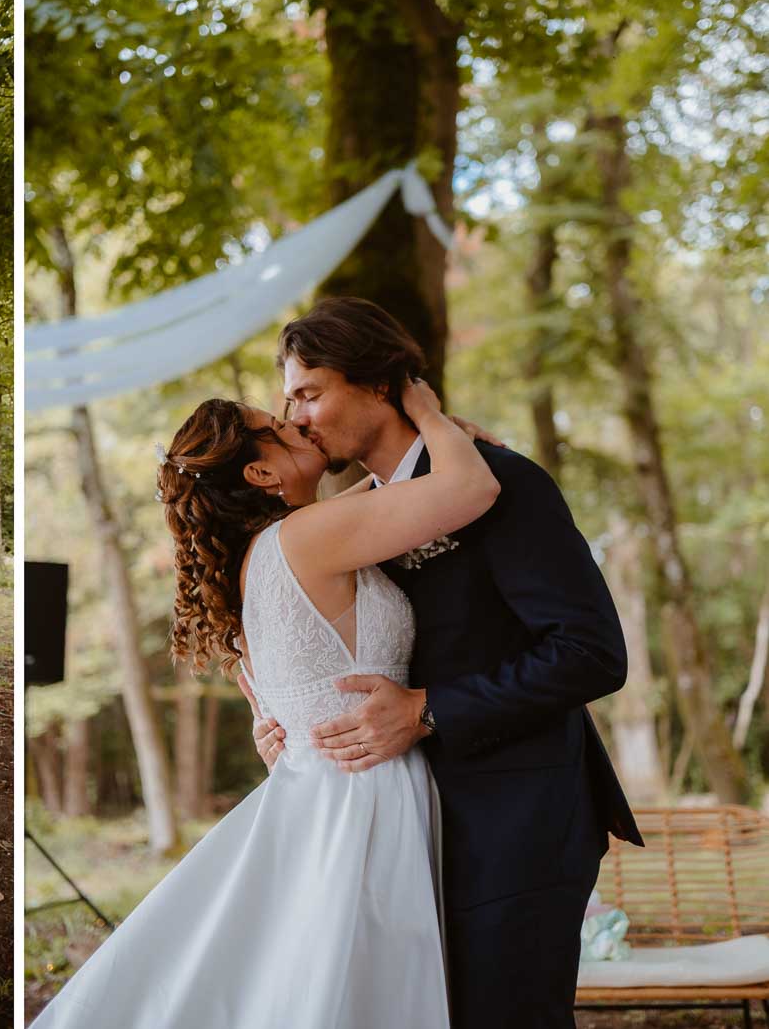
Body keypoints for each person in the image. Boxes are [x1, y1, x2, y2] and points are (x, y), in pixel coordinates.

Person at [32, 369, 507, 1028]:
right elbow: (473, 487)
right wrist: (429, 414)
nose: (300, 422)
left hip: (322, 794)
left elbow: (284, 690)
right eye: (281, 428)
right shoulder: (306, 540)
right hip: (362, 801)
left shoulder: (266, 553)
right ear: (258, 475)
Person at [248, 296, 641, 1029]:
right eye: (287, 399)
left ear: (377, 382)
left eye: (309, 391)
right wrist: (288, 722)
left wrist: (427, 709)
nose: (296, 416)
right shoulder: (361, 509)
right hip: (408, 823)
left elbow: (591, 651)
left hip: (517, 818)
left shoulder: (500, 481)